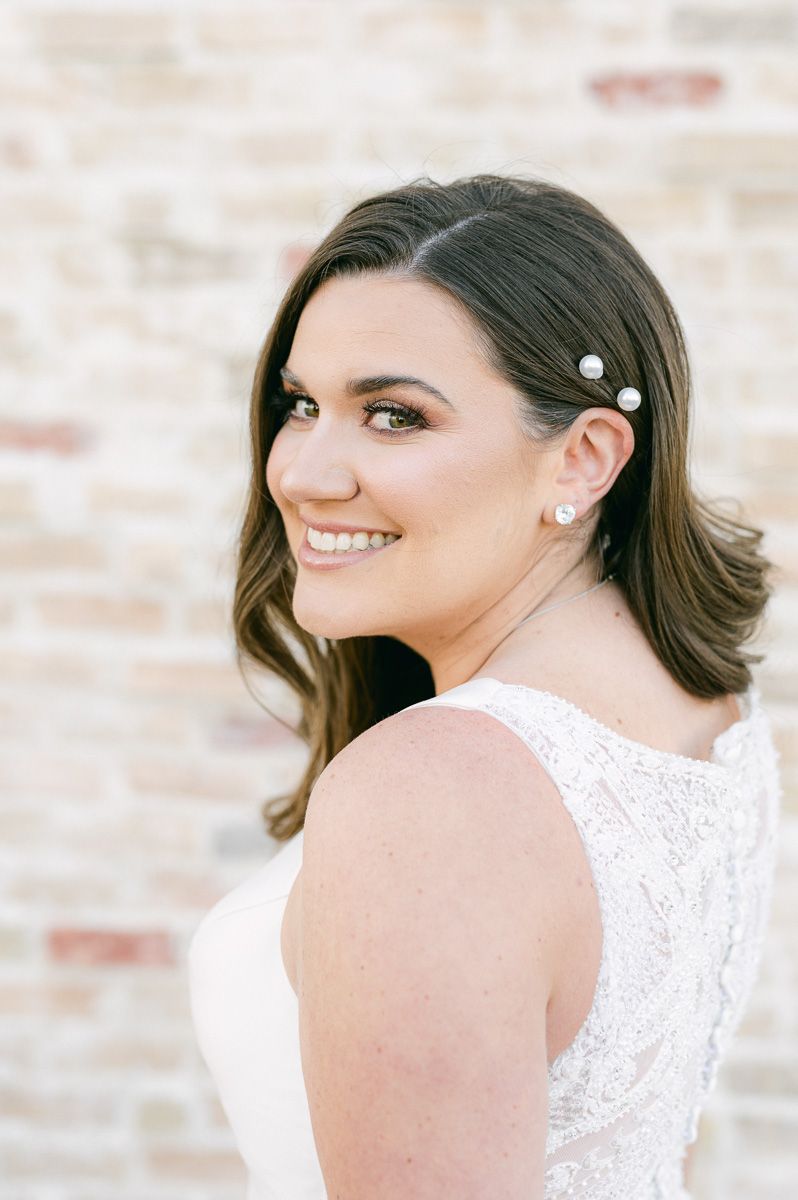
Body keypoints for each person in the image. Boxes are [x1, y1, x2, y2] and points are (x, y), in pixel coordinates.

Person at [188, 173, 782, 1199]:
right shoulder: (702, 703)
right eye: (301, 405)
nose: (303, 474)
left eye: (395, 417)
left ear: (584, 458)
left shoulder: (429, 793)